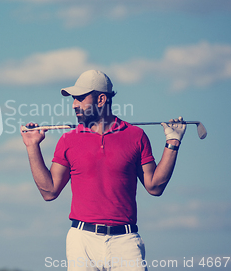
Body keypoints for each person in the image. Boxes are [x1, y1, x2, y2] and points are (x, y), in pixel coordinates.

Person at [21, 70, 186, 271]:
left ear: (101, 99)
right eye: (74, 99)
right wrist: (32, 147)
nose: (74, 104)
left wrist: (172, 142)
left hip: (125, 241)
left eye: (81, 98)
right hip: (82, 241)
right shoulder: (68, 139)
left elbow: (154, 187)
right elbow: (49, 192)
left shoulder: (136, 136)